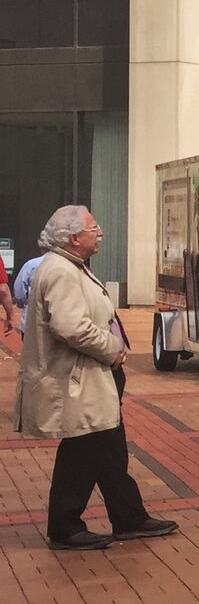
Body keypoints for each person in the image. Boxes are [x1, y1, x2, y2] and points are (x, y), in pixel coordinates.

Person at [14, 206, 178, 551]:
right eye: (94, 227)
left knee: (108, 447)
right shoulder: (60, 270)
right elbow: (70, 326)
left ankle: (129, 516)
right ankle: (65, 526)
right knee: (84, 450)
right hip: (78, 381)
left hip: (89, 379)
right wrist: (111, 348)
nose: (99, 232)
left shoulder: (69, 265)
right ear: (74, 238)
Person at [13, 250, 43, 335]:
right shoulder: (70, 265)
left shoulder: (31, 264)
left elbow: (19, 293)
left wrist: (22, 305)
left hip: (31, 323)